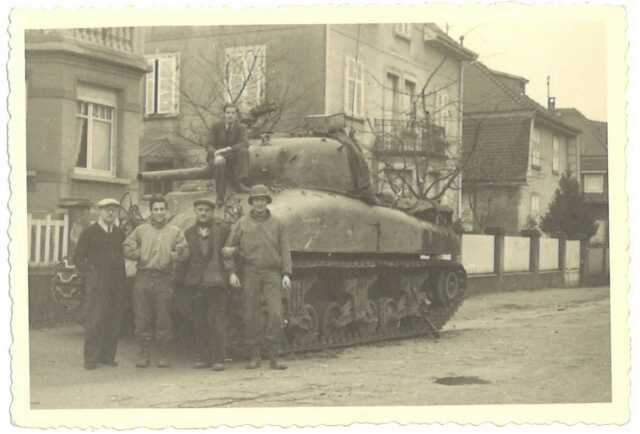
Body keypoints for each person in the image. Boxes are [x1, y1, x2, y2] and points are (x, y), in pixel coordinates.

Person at [224, 184, 292, 370]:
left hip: (272, 273)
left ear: (267, 201)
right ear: (251, 202)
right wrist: (231, 272)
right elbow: (228, 249)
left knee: (276, 314)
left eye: (262, 199)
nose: (259, 203)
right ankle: (254, 355)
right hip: (250, 272)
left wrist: (286, 273)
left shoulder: (278, 224)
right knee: (250, 314)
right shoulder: (242, 223)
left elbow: (285, 250)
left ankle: (274, 354)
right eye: (256, 200)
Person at [123, 196, 188, 368]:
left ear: (166, 211)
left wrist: (174, 255)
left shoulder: (175, 231)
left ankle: (163, 354)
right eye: (155, 209)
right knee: (142, 318)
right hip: (143, 277)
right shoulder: (141, 230)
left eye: (161, 209)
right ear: (150, 211)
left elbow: (184, 251)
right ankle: (143, 354)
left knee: (163, 318)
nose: (159, 212)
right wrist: (139, 255)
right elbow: (127, 246)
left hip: (164, 278)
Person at [174, 198, 231, 371]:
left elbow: (229, 253)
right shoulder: (189, 233)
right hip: (196, 282)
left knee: (217, 321)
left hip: (216, 282)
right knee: (199, 321)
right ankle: (202, 357)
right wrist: (178, 281)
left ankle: (218, 358)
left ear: (212, 212)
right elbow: (184, 259)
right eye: (200, 210)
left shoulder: (222, 231)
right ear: (195, 212)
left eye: (206, 210)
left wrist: (231, 275)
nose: (203, 213)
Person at [73, 198, 127, 370]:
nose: (111, 213)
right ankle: (91, 358)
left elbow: (122, 257)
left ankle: (107, 356)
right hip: (97, 283)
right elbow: (79, 258)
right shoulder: (90, 232)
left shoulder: (119, 233)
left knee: (113, 319)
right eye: (107, 210)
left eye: (114, 210)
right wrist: (90, 274)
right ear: (100, 212)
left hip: (116, 283)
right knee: (95, 319)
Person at [207, 103, 251, 205]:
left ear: (236, 115)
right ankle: (220, 196)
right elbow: (209, 144)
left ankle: (240, 182)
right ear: (224, 114)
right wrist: (215, 153)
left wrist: (229, 148)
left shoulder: (241, 127)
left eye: (233, 113)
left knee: (244, 151)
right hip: (217, 156)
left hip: (232, 156)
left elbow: (245, 143)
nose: (230, 115)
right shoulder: (216, 126)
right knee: (220, 163)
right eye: (228, 113)